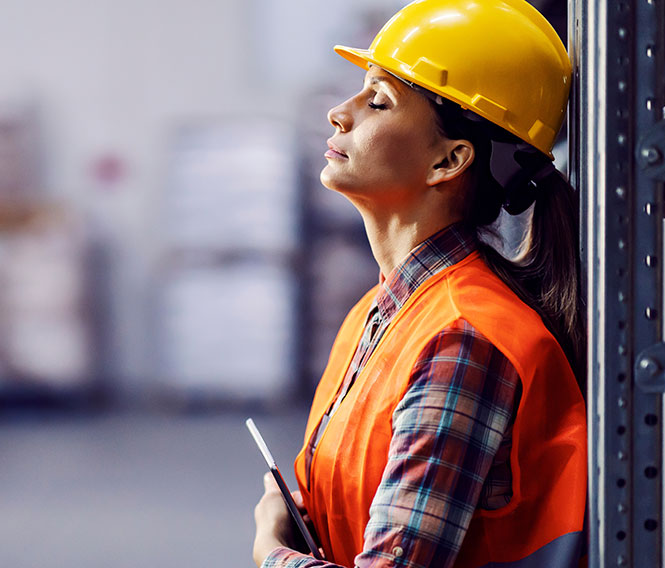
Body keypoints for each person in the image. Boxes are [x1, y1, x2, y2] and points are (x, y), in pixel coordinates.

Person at [252, 0, 587, 566]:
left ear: (449, 160)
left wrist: (270, 550)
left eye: (378, 100)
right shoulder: (382, 311)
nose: (339, 112)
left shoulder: (463, 339)